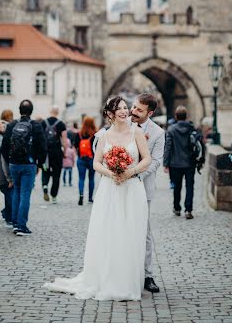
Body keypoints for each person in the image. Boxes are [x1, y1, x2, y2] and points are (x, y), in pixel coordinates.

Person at [44, 95, 151, 301]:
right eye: (118, 108)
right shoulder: (103, 136)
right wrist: (111, 173)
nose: (123, 111)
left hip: (132, 188)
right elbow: (96, 163)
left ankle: (128, 282)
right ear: (110, 114)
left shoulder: (136, 132)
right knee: (110, 233)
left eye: (125, 107)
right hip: (110, 189)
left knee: (131, 233)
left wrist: (131, 171)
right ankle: (108, 278)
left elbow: (147, 159)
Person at [129, 93, 165, 294]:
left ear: (150, 113)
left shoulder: (158, 133)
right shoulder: (122, 122)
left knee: (145, 232)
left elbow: (157, 160)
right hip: (119, 186)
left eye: (139, 110)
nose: (133, 112)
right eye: (133, 107)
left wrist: (136, 176)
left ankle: (147, 274)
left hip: (142, 186)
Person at [1, 99, 47, 235]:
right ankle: (21, 226)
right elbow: (43, 147)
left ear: (19, 110)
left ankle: (15, 223)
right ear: (31, 111)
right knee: (25, 194)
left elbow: (4, 147)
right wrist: (39, 163)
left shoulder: (12, 125)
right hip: (29, 163)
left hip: (14, 164)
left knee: (16, 192)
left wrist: (10, 160)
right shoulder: (36, 126)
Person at [163, 105, 205, 219]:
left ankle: (177, 208)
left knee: (177, 187)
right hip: (190, 163)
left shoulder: (171, 130)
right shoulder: (192, 128)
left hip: (175, 164)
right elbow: (199, 145)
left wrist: (165, 164)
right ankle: (188, 210)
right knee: (190, 186)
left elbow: (168, 147)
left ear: (176, 116)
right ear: (186, 116)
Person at [41, 106, 67, 204]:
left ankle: (45, 185)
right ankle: (54, 196)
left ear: (50, 111)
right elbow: (64, 140)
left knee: (45, 170)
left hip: (46, 152)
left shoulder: (43, 123)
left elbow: (40, 139)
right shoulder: (61, 124)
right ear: (57, 112)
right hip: (57, 152)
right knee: (56, 174)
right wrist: (64, 152)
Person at [73, 116, 97, 205]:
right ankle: (90, 198)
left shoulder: (79, 134)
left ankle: (81, 195)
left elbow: (75, 146)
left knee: (81, 178)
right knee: (91, 178)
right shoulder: (95, 134)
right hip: (92, 159)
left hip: (81, 159)